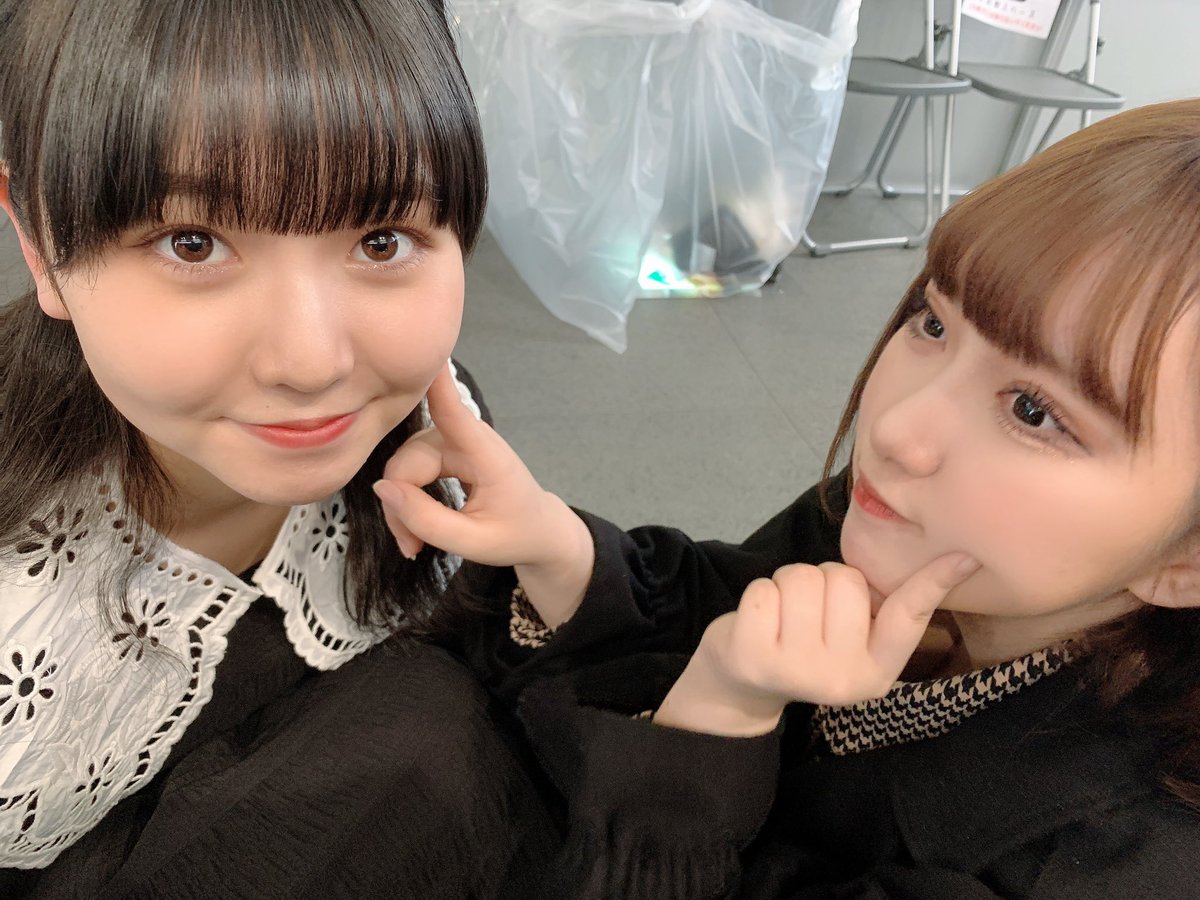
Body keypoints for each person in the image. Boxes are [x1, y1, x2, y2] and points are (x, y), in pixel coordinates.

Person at [376, 98, 1200, 897]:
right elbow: (728, 594)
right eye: (935, 324)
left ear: (1186, 559)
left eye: (1033, 412)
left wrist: (719, 716)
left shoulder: (1111, 863)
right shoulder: (896, 520)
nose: (898, 429)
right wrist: (557, 547)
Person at [0, 1, 554, 896]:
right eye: (192, 243)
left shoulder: (435, 445)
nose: (310, 363)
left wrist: (561, 563)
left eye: (381, 239)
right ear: (41, 243)